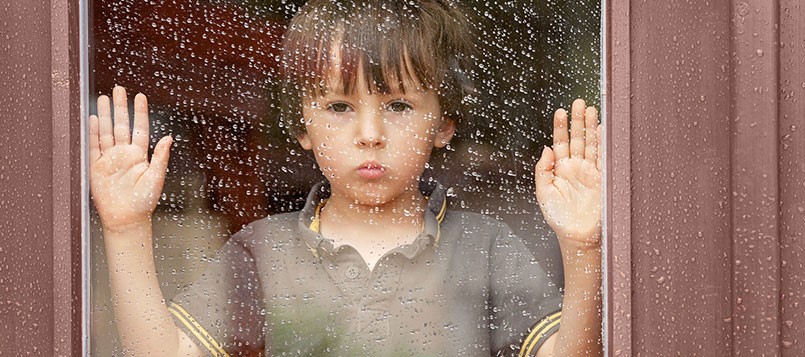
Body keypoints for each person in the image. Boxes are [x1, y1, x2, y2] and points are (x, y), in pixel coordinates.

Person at [89, 0, 602, 355]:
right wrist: (126, 228)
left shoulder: (485, 247)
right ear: (301, 126)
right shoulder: (264, 251)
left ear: (443, 123)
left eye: (398, 105)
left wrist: (582, 248)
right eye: (339, 106)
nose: (370, 133)